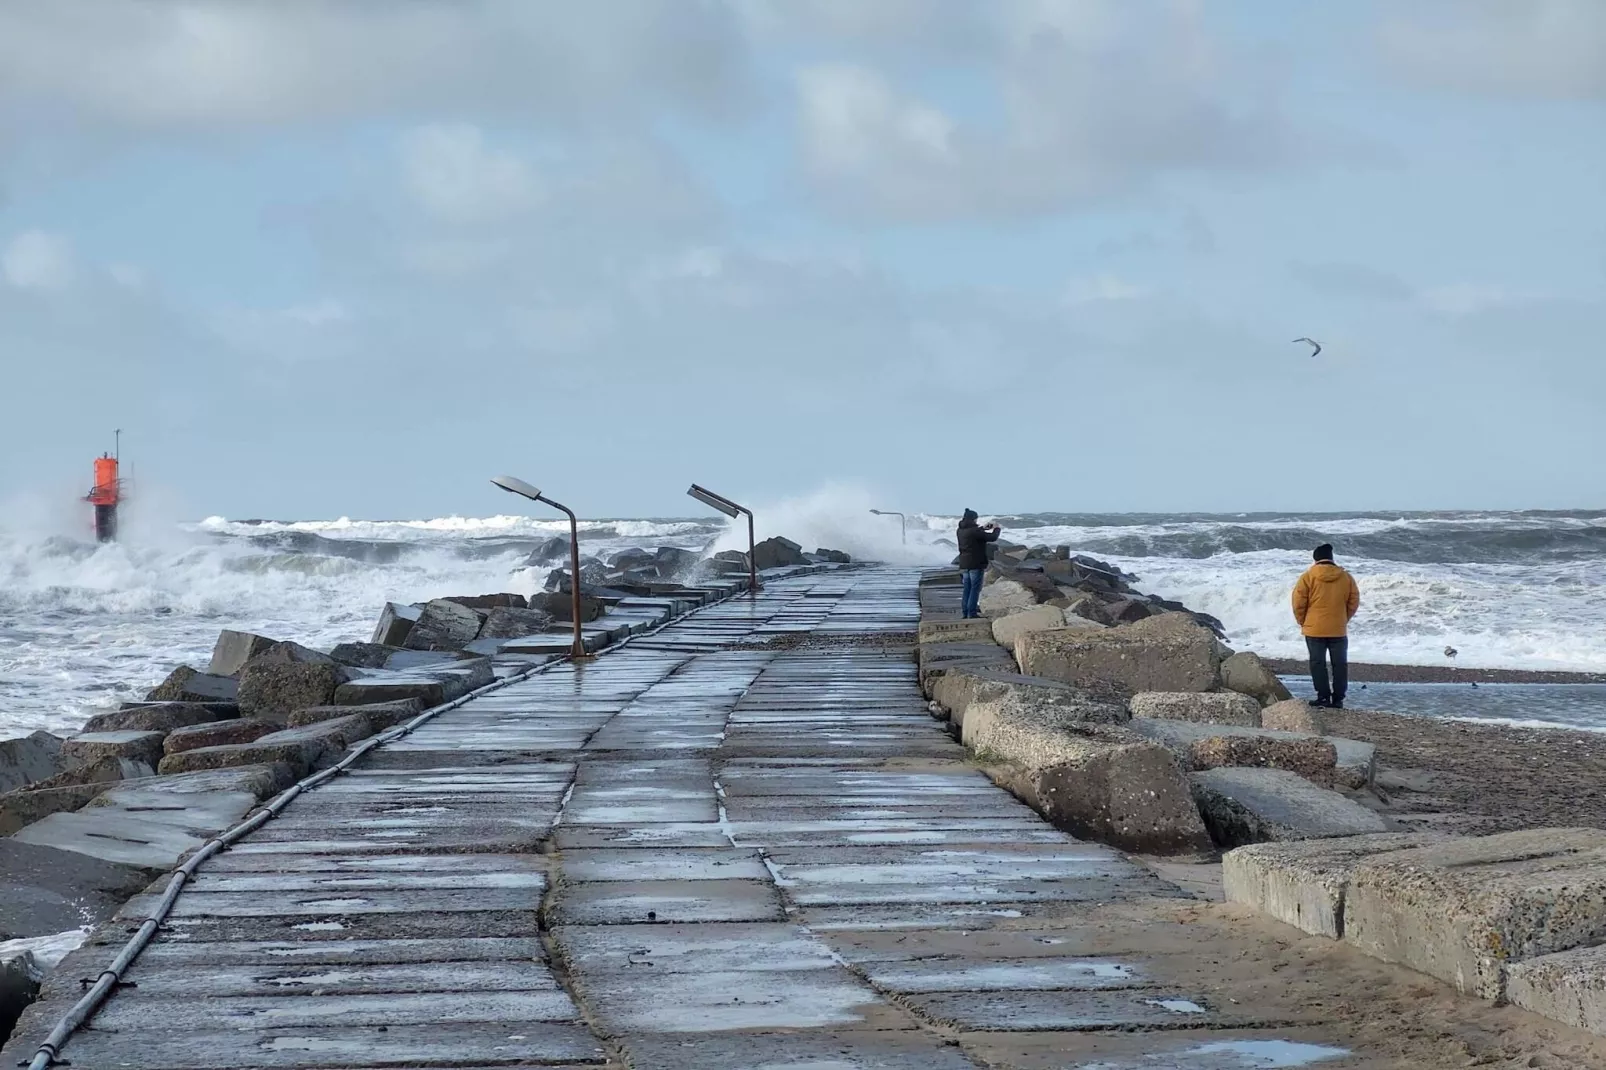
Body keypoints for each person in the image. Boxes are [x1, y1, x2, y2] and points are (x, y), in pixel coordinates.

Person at [1291, 543, 1360, 709]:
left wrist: (1303, 621)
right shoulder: (1346, 577)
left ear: (1315, 559)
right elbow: (1354, 601)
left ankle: (1323, 696)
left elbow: (1298, 603)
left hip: (1314, 628)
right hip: (1338, 628)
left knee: (1318, 663)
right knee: (1339, 664)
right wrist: (1343, 618)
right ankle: (1338, 699)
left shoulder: (1307, 576)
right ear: (1331, 558)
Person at [956, 509, 1001, 619]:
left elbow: (974, 533)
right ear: (973, 519)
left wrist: (983, 528)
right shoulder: (975, 531)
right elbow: (992, 538)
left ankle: (965, 612)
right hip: (975, 563)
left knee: (967, 588)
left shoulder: (960, 530)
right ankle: (972, 613)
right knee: (975, 589)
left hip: (964, 563)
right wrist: (997, 528)